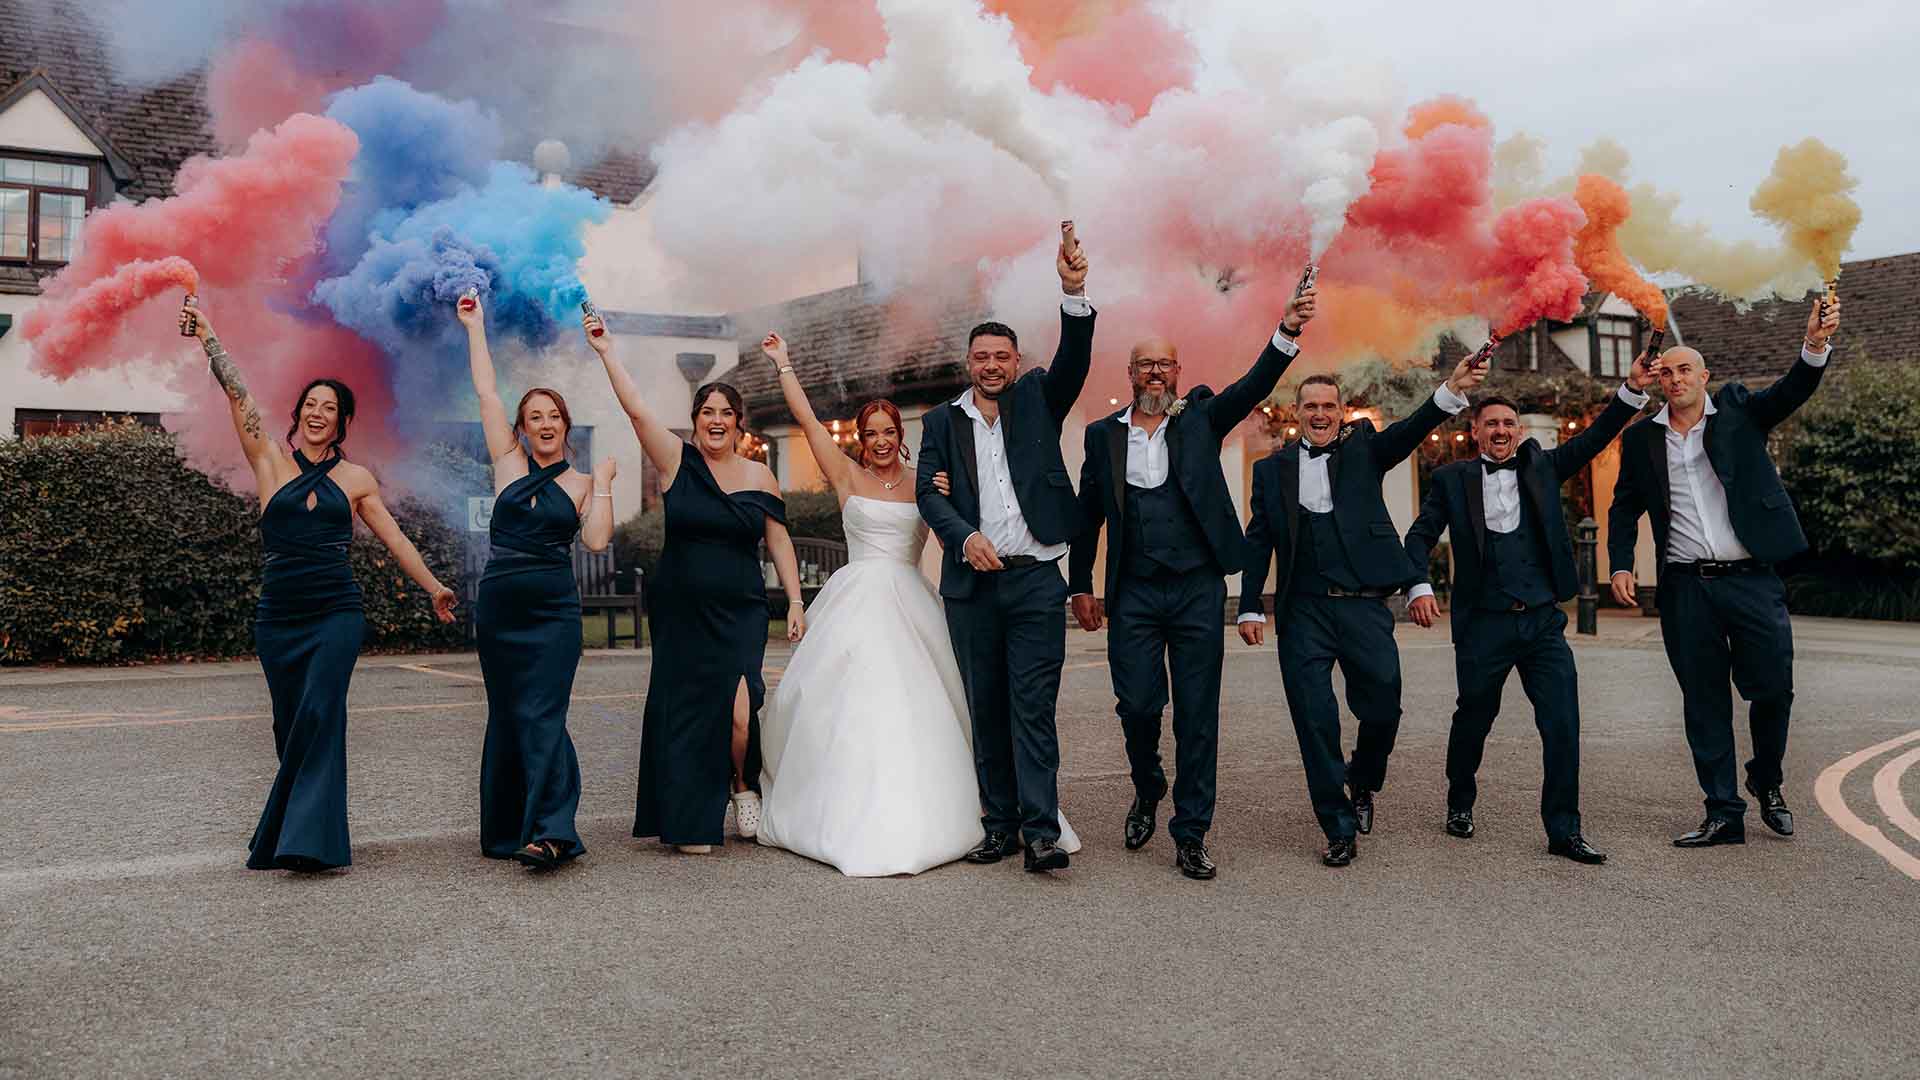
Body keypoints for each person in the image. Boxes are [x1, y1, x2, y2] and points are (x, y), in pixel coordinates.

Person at [754, 333, 1080, 875]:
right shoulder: (847, 476)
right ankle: (857, 804)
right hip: (857, 605)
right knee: (858, 708)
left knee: (958, 706)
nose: (881, 441)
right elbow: (808, 423)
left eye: (889, 432)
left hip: (913, 600)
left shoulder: (927, 483)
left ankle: (1020, 822)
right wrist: (784, 365)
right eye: (871, 433)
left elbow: (972, 499)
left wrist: (943, 488)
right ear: (860, 439)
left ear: (900, 436)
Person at [182, 297, 456, 872]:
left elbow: (396, 539)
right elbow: (238, 396)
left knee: (322, 711)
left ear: (341, 422)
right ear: (298, 413)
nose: (317, 413)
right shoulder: (269, 462)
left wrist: (434, 587)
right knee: (289, 723)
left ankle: (311, 842)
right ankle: (293, 829)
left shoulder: (357, 479)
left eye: (329, 407)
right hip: (279, 617)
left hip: (336, 612)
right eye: (310, 404)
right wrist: (208, 335)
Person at [1062, 286, 1317, 880]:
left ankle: (1191, 831)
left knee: (1198, 714)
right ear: (1130, 374)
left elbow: (1253, 385)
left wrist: (1286, 330)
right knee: (1137, 705)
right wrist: (1080, 585)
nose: (1156, 372)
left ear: (1178, 372)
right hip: (1134, 591)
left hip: (1198, 587)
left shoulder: (1201, 419)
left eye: (1165, 363)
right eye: (1145, 364)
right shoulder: (1103, 435)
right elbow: (1088, 514)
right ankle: (1148, 783)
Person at [1402, 352, 1654, 864]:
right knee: (1474, 717)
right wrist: (1418, 587)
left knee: (1562, 723)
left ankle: (1564, 830)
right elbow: (1419, 535)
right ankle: (1460, 798)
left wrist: (1630, 390)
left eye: (1508, 423)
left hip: (1541, 622)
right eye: (1491, 423)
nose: (1501, 430)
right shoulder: (1452, 480)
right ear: (1475, 431)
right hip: (1484, 624)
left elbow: (1595, 437)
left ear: (1518, 431)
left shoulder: (1543, 466)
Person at [1608, 297, 1841, 848]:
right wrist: (1619, 562)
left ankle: (1767, 778)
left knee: (1774, 688)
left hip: (1750, 579)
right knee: (1704, 700)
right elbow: (1623, 506)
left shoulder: (1738, 412)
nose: (1675, 379)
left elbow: (1791, 391)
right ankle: (1722, 812)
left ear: (1704, 377)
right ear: (1659, 381)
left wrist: (1814, 344)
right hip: (1686, 588)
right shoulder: (1641, 439)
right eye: (1667, 372)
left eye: (1685, 370)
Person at [1238, 353, 1486, 867]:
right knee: (1315, 721)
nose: (1320, 414)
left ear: (1342, 410)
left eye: (1329, 405)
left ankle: (1364, 779)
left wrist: (1451, 387)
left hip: (1364, 606)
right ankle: (1338, 826)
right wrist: (1249, 606)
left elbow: (1413, 428)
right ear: (1297, 412)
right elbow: (1259, 540)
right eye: (1311, 406)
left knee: (1383, 708)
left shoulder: (1365, 449)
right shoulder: (1271, 471)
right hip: (1303, 611)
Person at [583, 309, 807, 854]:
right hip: (681, 612)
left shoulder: (760, 476)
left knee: (740, 710)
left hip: (741, 611)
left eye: (726, 413)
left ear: (739, 424)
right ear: (695, 420)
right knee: (686, 712)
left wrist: (796, 601)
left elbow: (778, 541)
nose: (716, 420)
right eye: (707, 412)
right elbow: (636, 410)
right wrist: (608, 352)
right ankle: (689, 820)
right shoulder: (676, 462)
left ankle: (741, 783)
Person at [915, 221, 1093, 873]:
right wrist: (963, 538)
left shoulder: (1040, 398)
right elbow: (927, 493)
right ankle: (999, 826)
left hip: (1037, 581)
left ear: (1016, 363)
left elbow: (1075, 358)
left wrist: (1072, 292)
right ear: (969, 364)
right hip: (971, 590)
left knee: (1033, 709)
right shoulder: (941, 421)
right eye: (981, 358)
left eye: (1002, 357)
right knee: (986, 710)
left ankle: (1041, 832)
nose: (991, 366)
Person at [458, 296, 614, 870]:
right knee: (507, 714)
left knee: (543, 715)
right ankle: (508, 830)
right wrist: (475, 327)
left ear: (565, 425)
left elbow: (596, 540)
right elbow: (486, 393)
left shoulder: (581, 482)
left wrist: (605, 483)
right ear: (522, 429)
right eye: (534, 418)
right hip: (500, 611)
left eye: (553, 416)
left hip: (553, 615)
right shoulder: (507, 464)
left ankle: (553, 832)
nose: (544, 425)